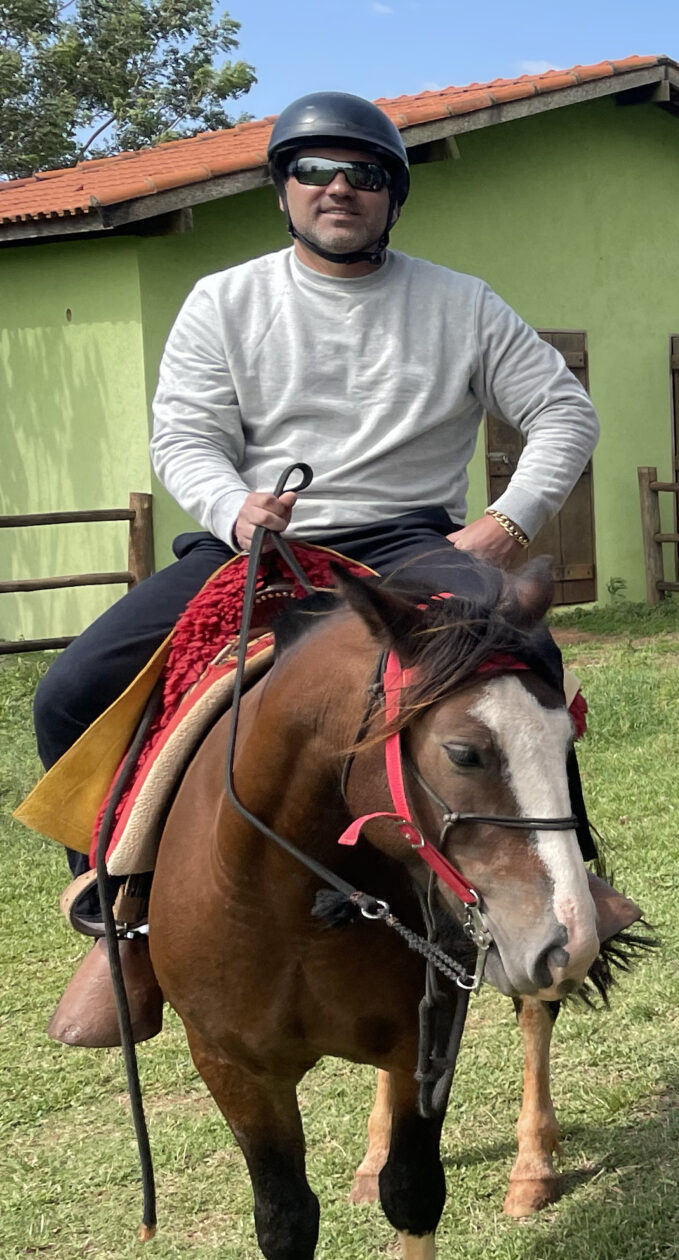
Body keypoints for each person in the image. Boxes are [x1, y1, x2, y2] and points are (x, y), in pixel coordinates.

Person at [31, 90, 626, 1042]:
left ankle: (570, 877)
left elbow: (565, 412)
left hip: (410, 542)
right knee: (72, 690)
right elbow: (184, 436)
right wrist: (232, 507)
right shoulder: (224, 300)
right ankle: (120, 918)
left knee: (525, 658)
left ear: (393, 195)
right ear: (284, 190)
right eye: (314, 170)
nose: (338, 187)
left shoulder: (462, 303)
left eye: (364, 173)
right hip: (264, 543)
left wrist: (506, 525)